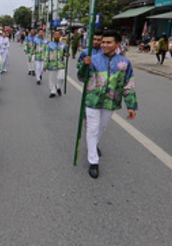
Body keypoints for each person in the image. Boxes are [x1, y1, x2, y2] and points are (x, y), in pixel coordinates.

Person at [77, 31, 137, 179]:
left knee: (102, 127)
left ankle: (93, 145)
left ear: (117, 44)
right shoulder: (93, 59)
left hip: (111, 101)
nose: (104, 45)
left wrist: (131, 106)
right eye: (103, 42)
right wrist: (84, 66)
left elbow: (128, 84)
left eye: (108, 42)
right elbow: (81, 77)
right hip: (93, 99)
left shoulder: (124, 63)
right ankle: (93, 162)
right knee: (92, 128)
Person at [45, 30, 69, 98]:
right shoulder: (49, 45)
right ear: (53, 36)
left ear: (60, 36)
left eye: (58, 34)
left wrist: (67, 54)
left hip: (61, 64)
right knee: (51, 79)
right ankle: (53, 91)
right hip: (52, 64)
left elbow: (65, 53)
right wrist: (45, 64)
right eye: (55, 34)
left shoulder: (64, 45)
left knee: (61, 77)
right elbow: (47, 55)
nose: (57, 36)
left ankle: (58, 87)